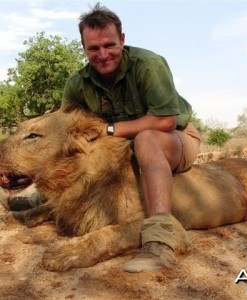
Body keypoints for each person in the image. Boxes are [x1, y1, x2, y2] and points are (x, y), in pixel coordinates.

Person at [12, 2, 201, 273]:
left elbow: (165, 120)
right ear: (83, 48)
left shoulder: (148, 64)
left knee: (145, 139)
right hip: (125, 147)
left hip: (173, 138)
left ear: (122, 40)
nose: (102, 54)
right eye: (93, 48)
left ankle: (161, 235)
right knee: (81, 155)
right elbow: (64, 131)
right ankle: (46, 203)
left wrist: (109, 131)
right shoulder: (77, 83)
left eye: (109, 45)